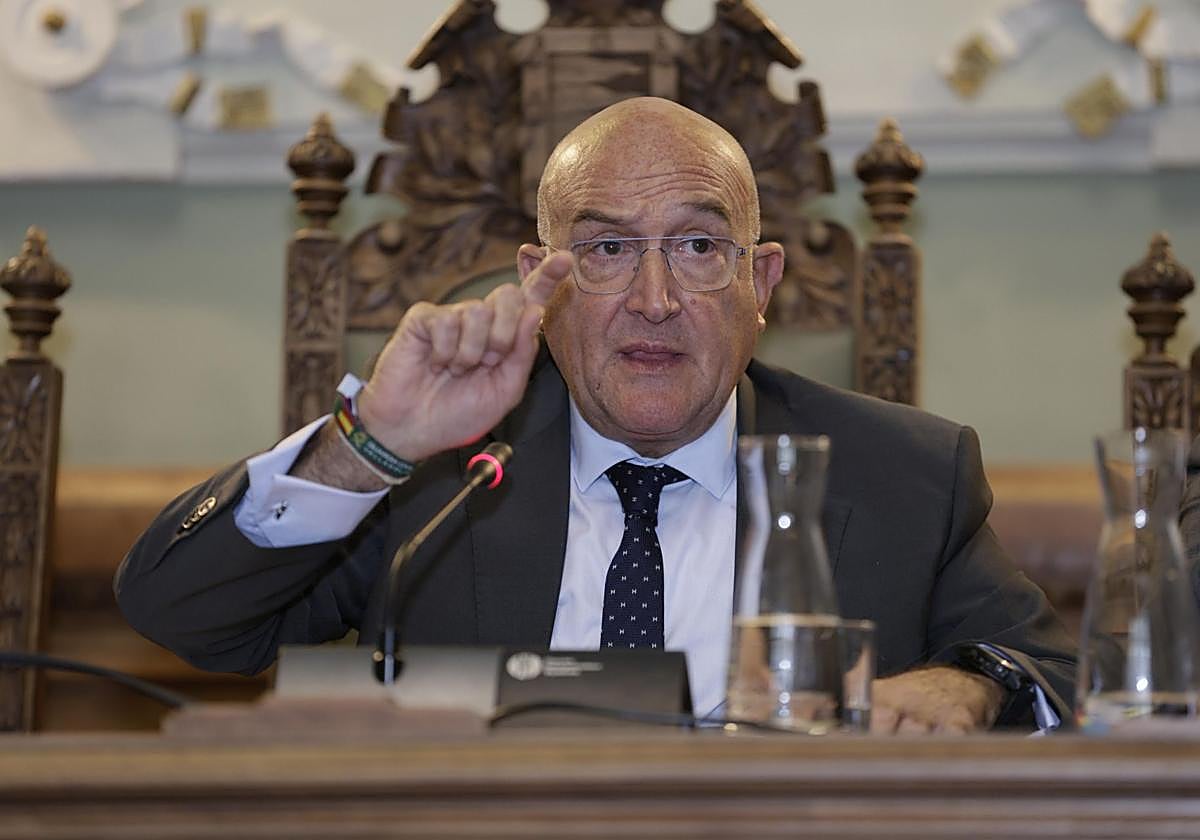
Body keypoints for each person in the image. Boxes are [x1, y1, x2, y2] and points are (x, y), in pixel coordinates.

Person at [116, 97, 1075, 733]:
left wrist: (975, 685)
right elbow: (184, 618)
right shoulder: (443, 474)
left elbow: (1053, 674)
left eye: (699, 245)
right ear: (542, 283)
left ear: (760, 281)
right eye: (608, 249)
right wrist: (371, 448)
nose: (654, 297)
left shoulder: (905, 471)